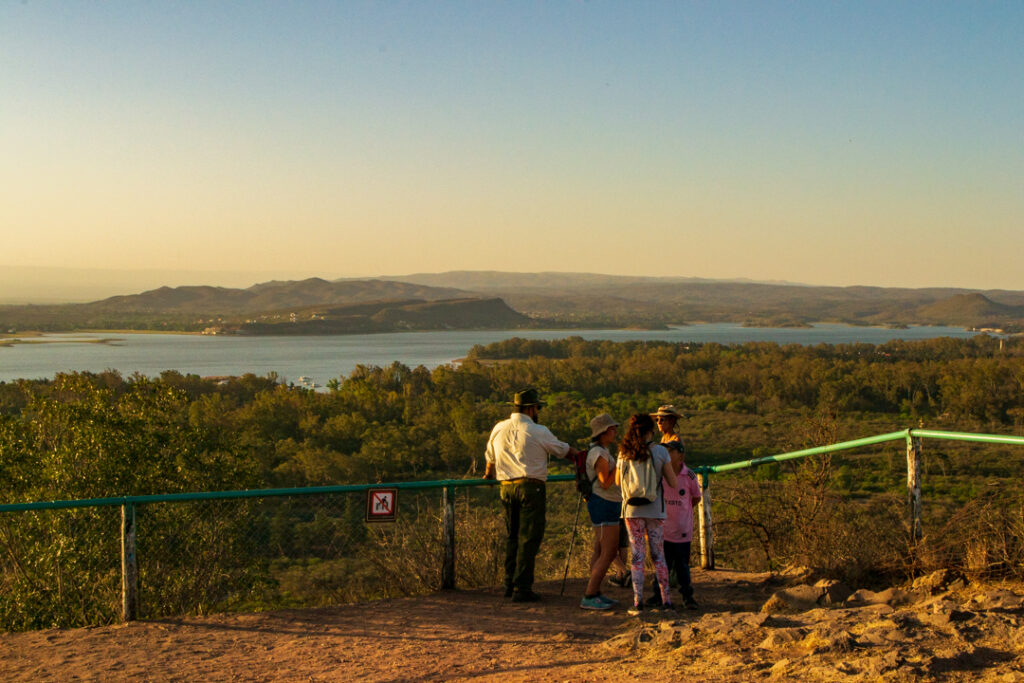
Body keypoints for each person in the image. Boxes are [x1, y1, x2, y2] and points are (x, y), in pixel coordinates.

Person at [483, 388, 577, 603]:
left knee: (512, 535)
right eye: (537, 407)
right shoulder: (538, 430)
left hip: (505, 486)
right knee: (529, 537)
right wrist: (582, 458)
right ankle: (522, 587)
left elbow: (490, 458)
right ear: (531, 408)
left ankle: (509, 583)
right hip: (531, 487)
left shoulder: (499, 428)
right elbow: (563, 450)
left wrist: (488, 476)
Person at [616, 413, 678, 615]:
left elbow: (618, 481)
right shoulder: (660, 451)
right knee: (659, 556)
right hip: (655, 509)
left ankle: (637, 602)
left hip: (632, 510)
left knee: (637, 556)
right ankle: (666, 601)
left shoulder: (624, 453)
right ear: (650, 430)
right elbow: (673, 482)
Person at [651, 439, 702, 609]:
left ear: (681, 455)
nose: (667, 454)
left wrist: (684, 511)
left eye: (671, 451)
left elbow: (696, 497)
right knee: (661, 564)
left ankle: (687, 596)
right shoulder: (661, 474)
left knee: (682, 566)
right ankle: (658, 595)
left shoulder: (689, 476)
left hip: (682, 531)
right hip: (664, 530)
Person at [580, 413, 622, 610]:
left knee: (600, 549)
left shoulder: (599, 451)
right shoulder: (600, 454)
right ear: (603, 432)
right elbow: (605, 482)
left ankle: (595, 592)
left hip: (602, 502)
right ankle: (590, 594)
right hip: (605, 502)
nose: (615, 432)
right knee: (609, 551)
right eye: (612, 429)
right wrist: (620, 465)